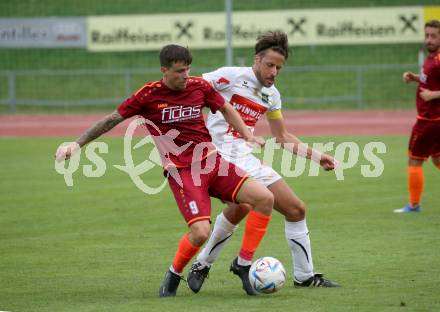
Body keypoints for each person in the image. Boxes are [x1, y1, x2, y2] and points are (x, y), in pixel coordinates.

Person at [55, 44, 275, 297]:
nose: (185, 76)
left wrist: (247, 134)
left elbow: (225, 108)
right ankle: (174, 273)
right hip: (182, 172)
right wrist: (76, 143)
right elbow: (111, 120)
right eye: (179, 71)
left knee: (264, 199)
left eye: (188, 69)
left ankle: (243, 265)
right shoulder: (148, 95)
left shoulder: (199, 87)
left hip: (213, 163)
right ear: (164, 70)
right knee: (201, 232)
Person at [187, 31, 339, 294]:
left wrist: (317, 156)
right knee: (242, 207)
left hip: (245, 158)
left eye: (279, 67)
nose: (274, 72)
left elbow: (282, 137)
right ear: (257, 60)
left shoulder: (272, 96)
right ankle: (206, 264)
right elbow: (190, 88)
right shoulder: (230, 76)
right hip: (219, 157)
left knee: (295, 209)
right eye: (270, 65)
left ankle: (304, 276)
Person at [394, 20, 440, 213]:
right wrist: (414, 77)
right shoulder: (431, 58)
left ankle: (413, 205)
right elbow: (430, 80)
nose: (429, 39)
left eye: (434, 36)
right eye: (427, 35)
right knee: (438, 160)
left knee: (414, 161)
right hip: (434, 120)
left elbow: (433, 89)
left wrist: (433, 95)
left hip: (428, 121)